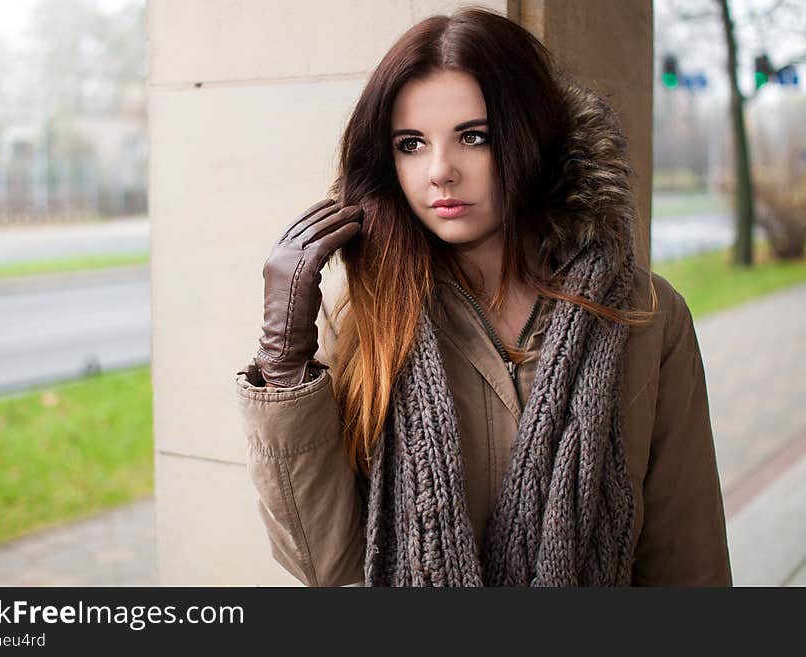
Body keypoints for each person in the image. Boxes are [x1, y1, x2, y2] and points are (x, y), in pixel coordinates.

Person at [235, 7, 732, 587]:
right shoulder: (366, 316)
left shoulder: (647, 315)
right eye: (411, 144)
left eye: (474, 137)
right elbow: (323, 561)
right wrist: (284, 355)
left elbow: (686, 557)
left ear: (534, 134)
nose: (440, 171)